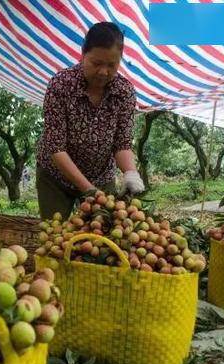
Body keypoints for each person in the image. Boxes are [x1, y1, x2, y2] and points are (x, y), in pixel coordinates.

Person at [36, 22, 144, 220]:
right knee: (54, 233)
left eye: (112, 65)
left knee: (103, 235)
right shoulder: (61, 85)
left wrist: (130, 172)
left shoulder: (124, 92)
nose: (104, 71)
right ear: (83, 54)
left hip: (101, 177)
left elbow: (122, 144)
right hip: (56, 178)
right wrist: (89, 190)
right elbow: (55, 147)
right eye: (97, 63)